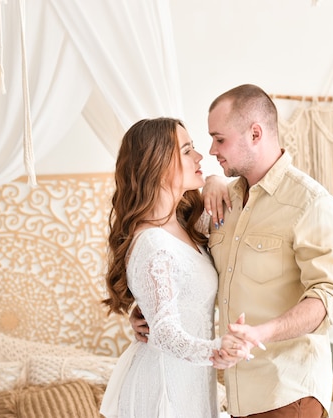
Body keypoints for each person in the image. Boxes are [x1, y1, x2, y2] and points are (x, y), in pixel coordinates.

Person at [132, 85, 333, 418]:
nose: (211, 150)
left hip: (287, 393)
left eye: (220, 139)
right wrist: (148, 308)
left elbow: (328, 299)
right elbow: (178, 262)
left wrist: (262, 333)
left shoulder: (310, 203)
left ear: (255, 133)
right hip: (235, 397)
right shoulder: (222, 202)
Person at [100, 117, 254, 418]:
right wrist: (218, 350)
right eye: (187, 150)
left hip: (191, 380)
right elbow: (166, 334)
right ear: (156, 165)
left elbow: (233, 209)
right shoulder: (152, 243)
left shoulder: (187, 223)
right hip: (164, 384)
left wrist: (214, 180)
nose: (200, 156)